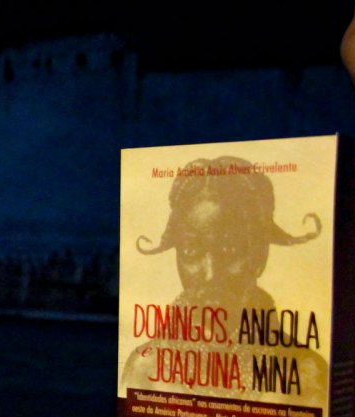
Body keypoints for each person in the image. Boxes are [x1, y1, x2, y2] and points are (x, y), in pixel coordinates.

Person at [119, 157, 327, 403]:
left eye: (230, 249)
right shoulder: (144, 370)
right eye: (191, 251)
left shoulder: (306, 378)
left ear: (260, 254)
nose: (211, 274)